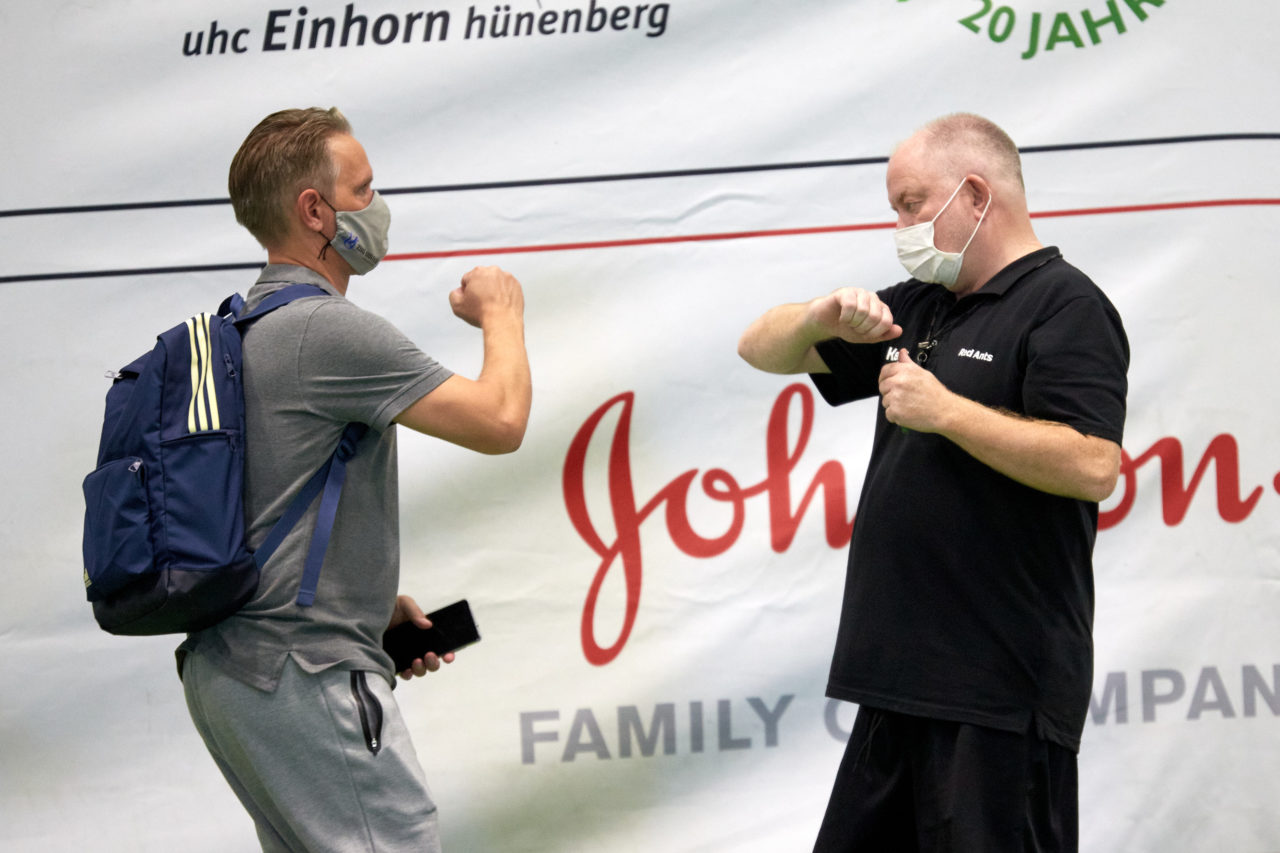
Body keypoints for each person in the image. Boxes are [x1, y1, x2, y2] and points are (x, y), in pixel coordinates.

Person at [738, 113, 1128, 851]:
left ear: (976, 195)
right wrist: (816, 315)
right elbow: (759, 349)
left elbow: (1093, 464)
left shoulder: (1067, 306)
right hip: (897, 683)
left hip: (997, 695)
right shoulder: (921, 306)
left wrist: (949, 412)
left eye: (911, 203)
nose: (902, 225)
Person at [177, 107, 531, 852]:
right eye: (364, 190)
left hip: (236, 674)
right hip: (304, 673)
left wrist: (365, 601)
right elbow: (500, 420)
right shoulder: (326, 328)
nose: (378, 206)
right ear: (316, 210)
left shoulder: (245, 329)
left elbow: (274, 499)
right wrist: (502, 313)